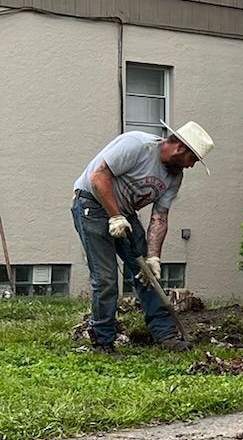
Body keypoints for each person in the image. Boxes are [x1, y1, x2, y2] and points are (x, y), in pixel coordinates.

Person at [70, 122, 214, 352]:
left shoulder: (174, 178)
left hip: (125, 214)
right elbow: (99, 176)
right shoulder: (137, 145)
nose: (191, 166)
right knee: (106, 278)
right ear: (180, 149)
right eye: (193, 160)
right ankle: (103, 341)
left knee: (147, 275)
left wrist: (153, 257)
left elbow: (160, 217)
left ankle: (165, 335)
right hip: (92, 205)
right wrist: (115, 217)